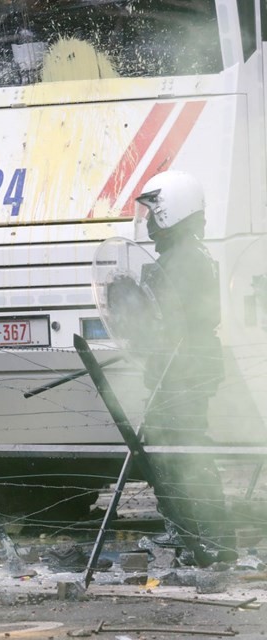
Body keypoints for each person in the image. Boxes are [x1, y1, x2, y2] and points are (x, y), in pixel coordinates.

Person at [134, 170, 236, 567]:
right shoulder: (188, 254)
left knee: (182, 453)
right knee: (174, 452)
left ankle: (204, 535)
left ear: (172, 209)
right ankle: (196, 533)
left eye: (153, 211)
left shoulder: (182, 260)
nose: (147, 221)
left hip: (183, 371)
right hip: (182, 368)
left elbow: (168, 322)